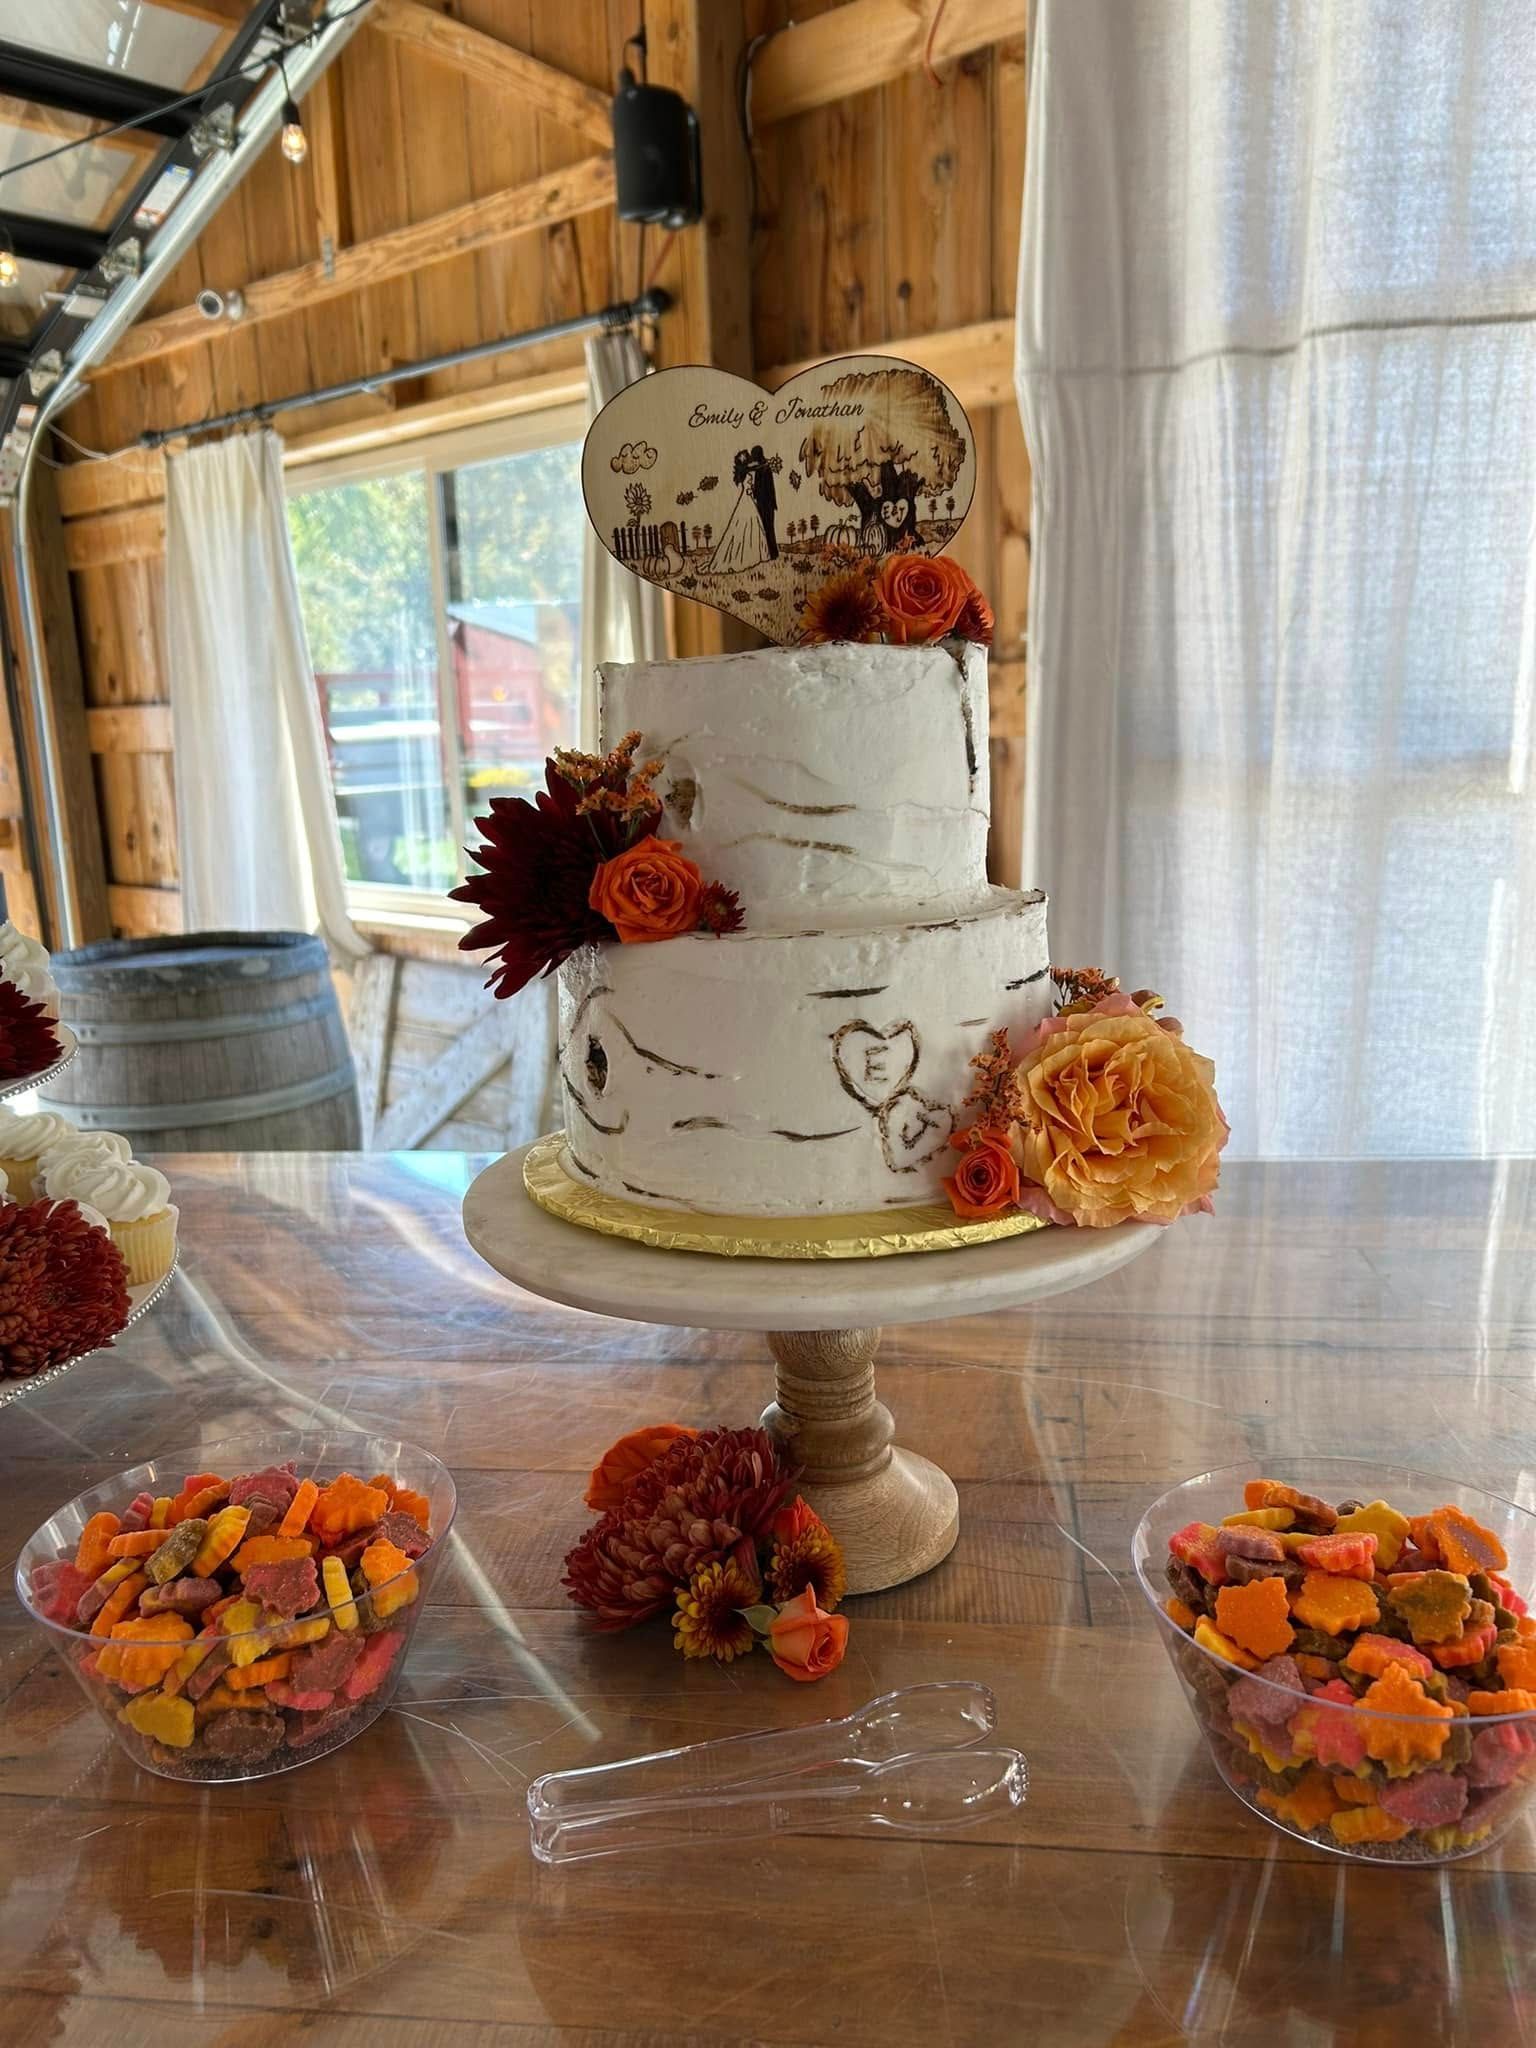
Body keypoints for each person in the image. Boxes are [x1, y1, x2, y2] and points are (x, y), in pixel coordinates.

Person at [709, 449, 771, 574]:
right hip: (747, 500)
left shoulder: (743, 474)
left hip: (746, 500)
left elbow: (753, 470)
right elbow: (749, 487)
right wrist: (752, 490)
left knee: (746, 525)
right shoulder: (747, 474)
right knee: (749, 524)